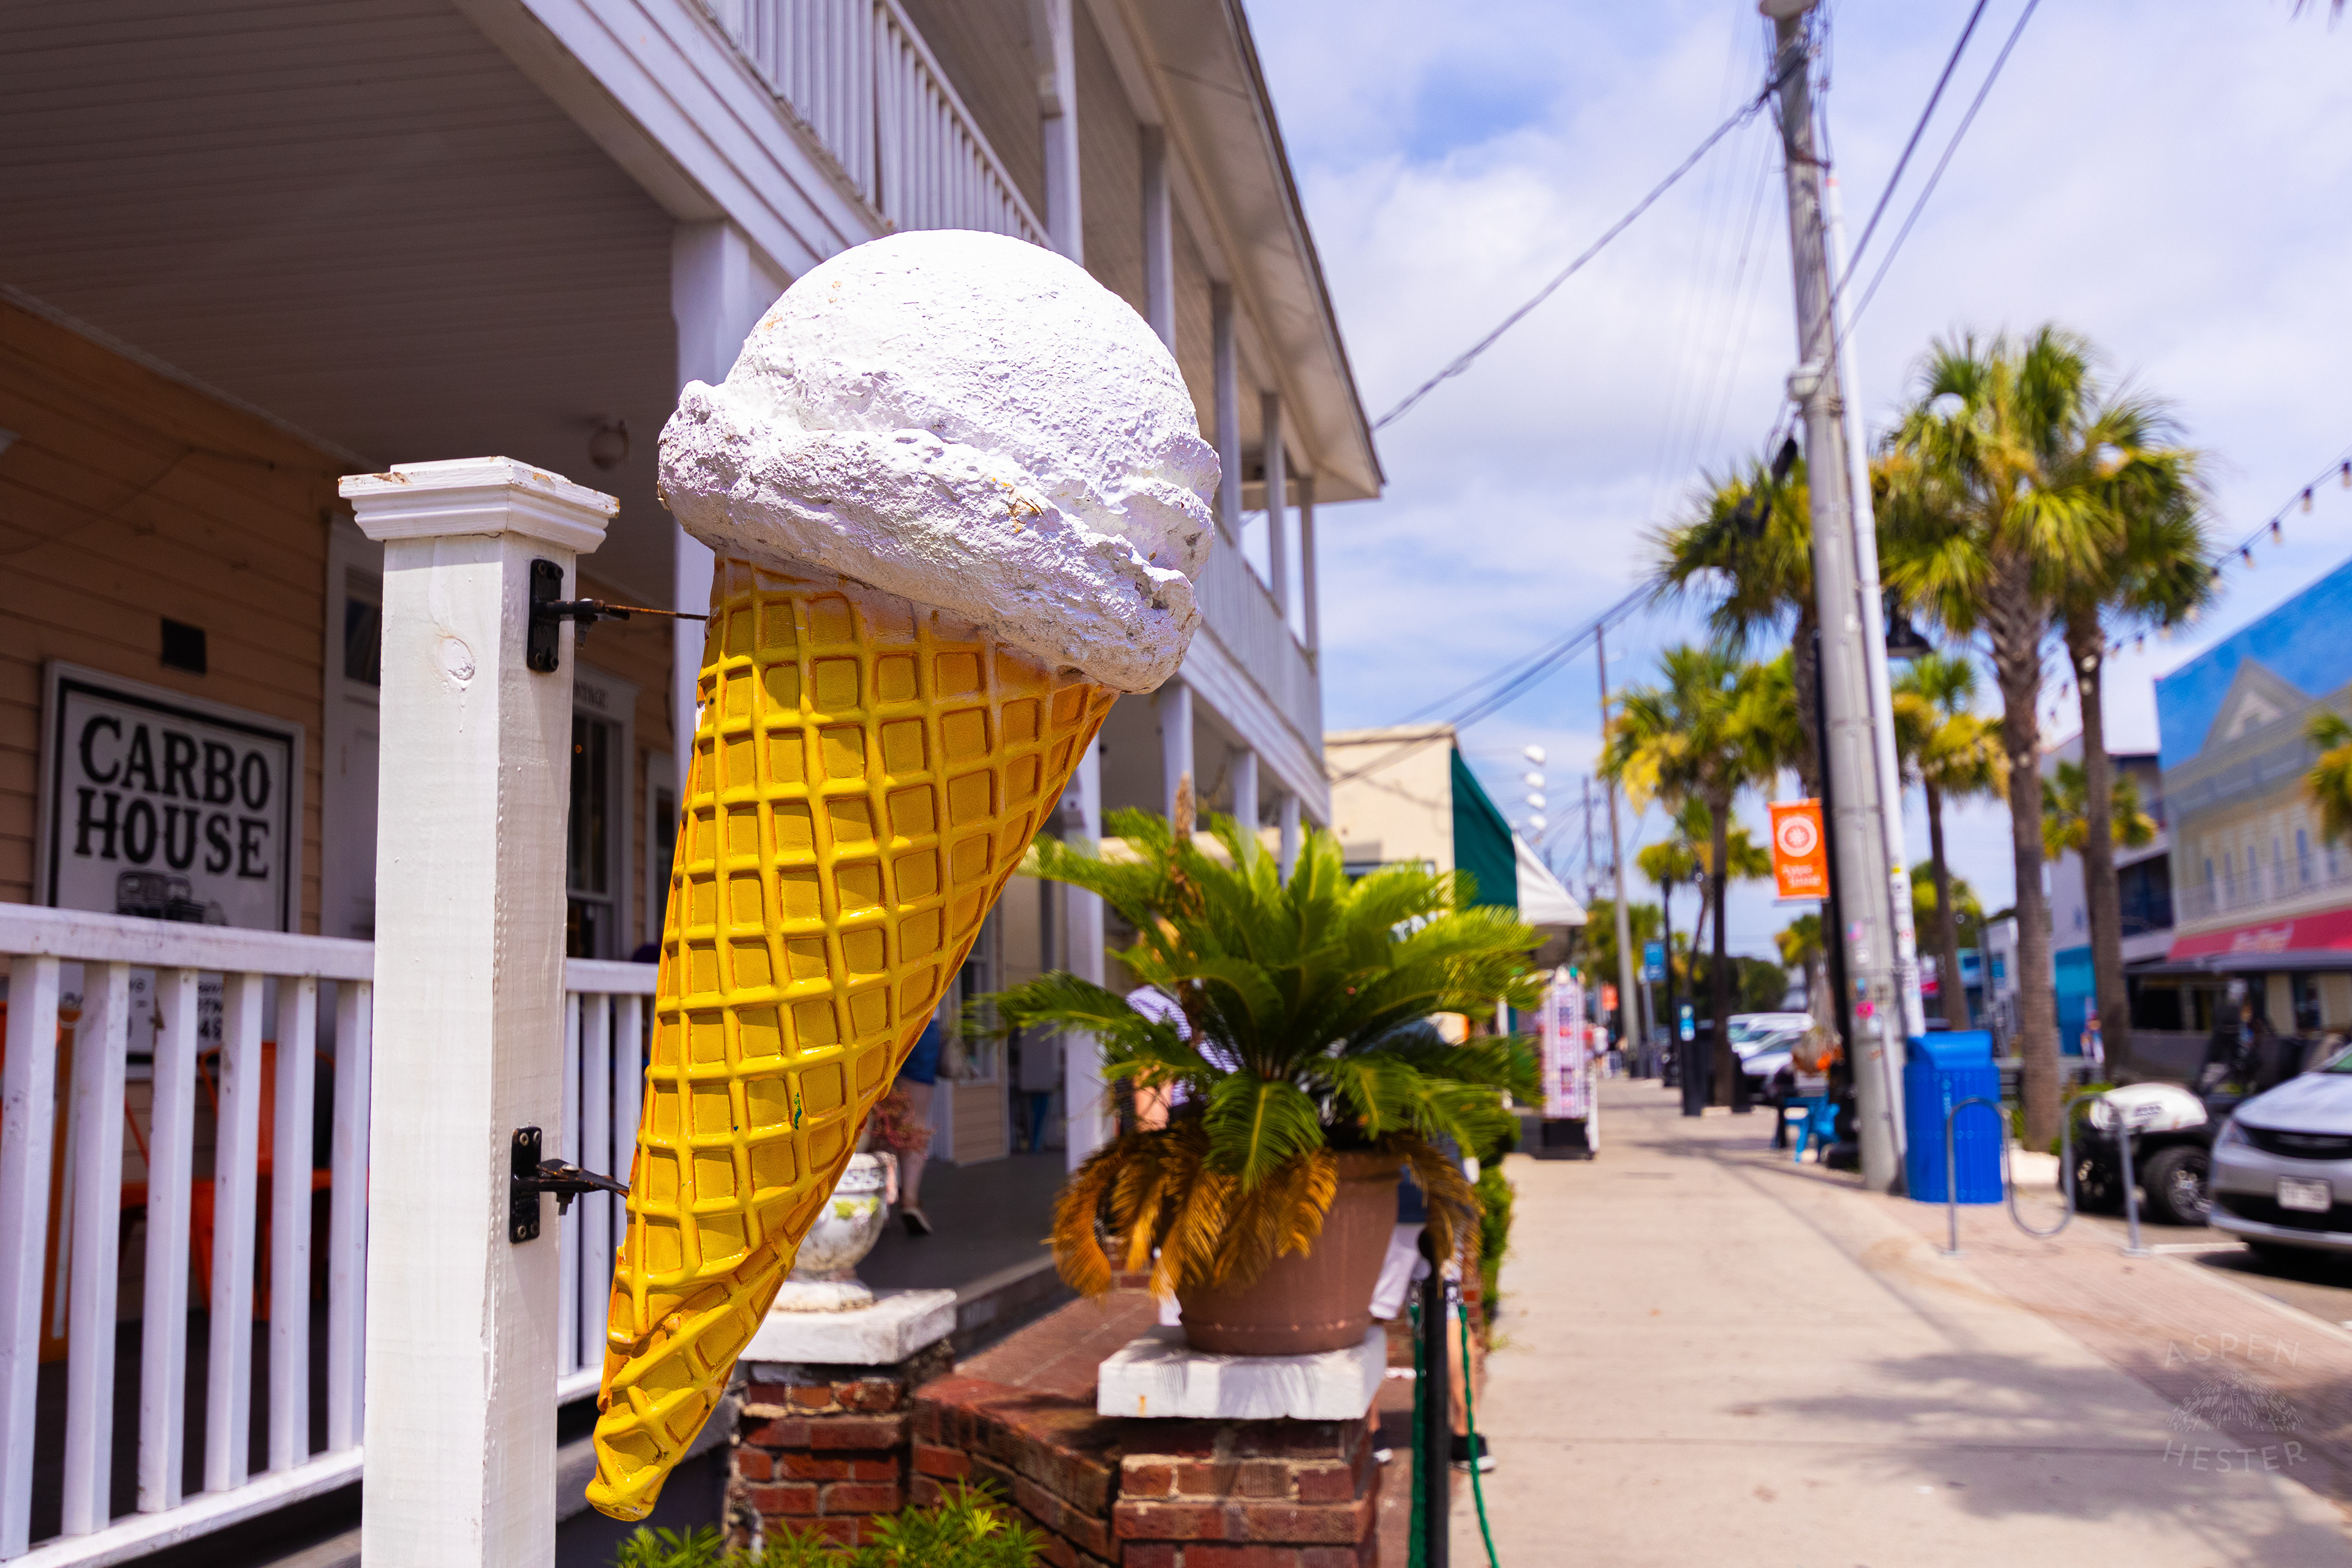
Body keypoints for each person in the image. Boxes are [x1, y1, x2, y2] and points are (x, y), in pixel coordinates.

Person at [894, 1016, 944, 1235]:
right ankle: (910, 1201)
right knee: (915, 1119)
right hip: (922, 1020)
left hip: (873, 1014)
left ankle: (878, 1205)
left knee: (878, 1115)